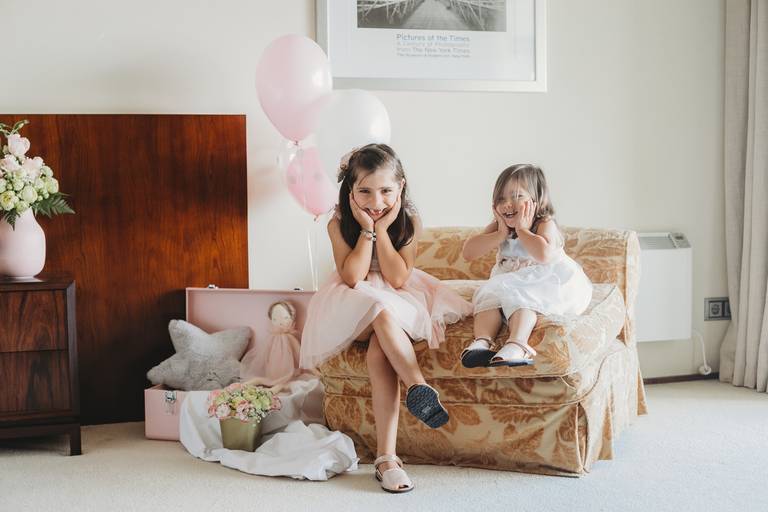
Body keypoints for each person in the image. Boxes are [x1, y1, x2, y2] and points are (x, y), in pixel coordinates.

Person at [300, 143, 471, 493]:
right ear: (350, 191)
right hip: (352, 304)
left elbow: (397, 278)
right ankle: (418, 385)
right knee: (377, 307)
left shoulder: (410, 221)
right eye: (364, 191)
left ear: (401, 187)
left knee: (381, 347)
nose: (375, 202)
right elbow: (353, 277)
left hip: (396, 299)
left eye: (385, 191)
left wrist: (388, 227)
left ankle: (386, 460)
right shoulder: (337, 223)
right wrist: (368, 229)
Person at [460, 164, 592, 368]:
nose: (507, 204)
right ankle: (482, 342)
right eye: (501, 199)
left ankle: (517, 344)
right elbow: (468, 253)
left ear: (537, 199)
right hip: (507, 282)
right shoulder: (500, 227)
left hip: (543, 280)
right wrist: (499, 235)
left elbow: (543, 255)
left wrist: (522, 230)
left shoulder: (543, 223)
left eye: (517, 196)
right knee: (487, 298)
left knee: (521, 299)